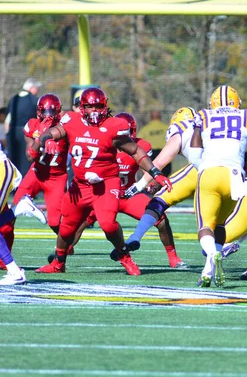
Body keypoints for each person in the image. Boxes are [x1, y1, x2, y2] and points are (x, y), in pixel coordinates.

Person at [33, 87, 172, 275]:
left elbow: (136, 151)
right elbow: (50, 133)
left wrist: (156, 173)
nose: (95, 111)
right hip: (80, 186)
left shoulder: (114, 126)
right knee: (66, 228)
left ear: (105, 107)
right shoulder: (71, 121)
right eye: (90, 107)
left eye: (98, 106)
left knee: (108, 224)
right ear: (82, 108)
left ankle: (125, 256)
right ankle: (58, 264)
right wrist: (48, 139)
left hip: (106, 183)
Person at [52, 113, 187, 269]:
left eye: (128, 133)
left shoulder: (140, 146)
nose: (124, 136)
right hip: (102, 193)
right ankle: (64, 251)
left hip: (127, 195)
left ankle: (173, 257)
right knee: (78, 223)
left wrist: (152, 184)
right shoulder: (103, 141)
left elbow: (147, 172)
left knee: (160, 218)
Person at [189, 85, 247, 288]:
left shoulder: (204, 115)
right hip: (235, 176)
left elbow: (195, 152)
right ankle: (208, 269)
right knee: (220, 225)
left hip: (211, 173)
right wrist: (239, 158)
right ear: (236, 102)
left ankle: (213, 254)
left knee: (205, 226)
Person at [124, 107, 204, 256]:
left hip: (201, 168)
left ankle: (135, 237)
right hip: (229, 169)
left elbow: (160, 162)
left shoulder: (180, 128)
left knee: (158, 201)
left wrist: (140, 185)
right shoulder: (210, 123)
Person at [0, 94, 68, 256]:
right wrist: (42, 138)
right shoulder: (32, 125)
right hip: (36, 173)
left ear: (58, 112)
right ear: (38, 111)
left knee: (53, 221)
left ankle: (65, 245)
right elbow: (30, 156)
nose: (48, 115)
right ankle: (5, 256)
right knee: (13, 211)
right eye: (45, 111)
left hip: (56, 178)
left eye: (52, 111)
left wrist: (53, 134)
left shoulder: (65, 127)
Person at [6, 78, 42, 176]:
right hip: (27, 133)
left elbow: (7, 118)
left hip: (12, 132)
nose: (37, 90)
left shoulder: (14, 99)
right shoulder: (34, 100)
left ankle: (13, 184)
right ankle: (25, 183)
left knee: (13, 158)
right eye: (37, 88)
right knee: (26, 159)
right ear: (32, 88)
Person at [137, 110, 171, 176]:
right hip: (164, 153)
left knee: (151, 175)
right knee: (165, 174)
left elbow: (138, 140)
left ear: (150, 117)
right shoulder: (166, 128)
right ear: (160, 116)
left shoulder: (145, 129)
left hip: (151, 155)